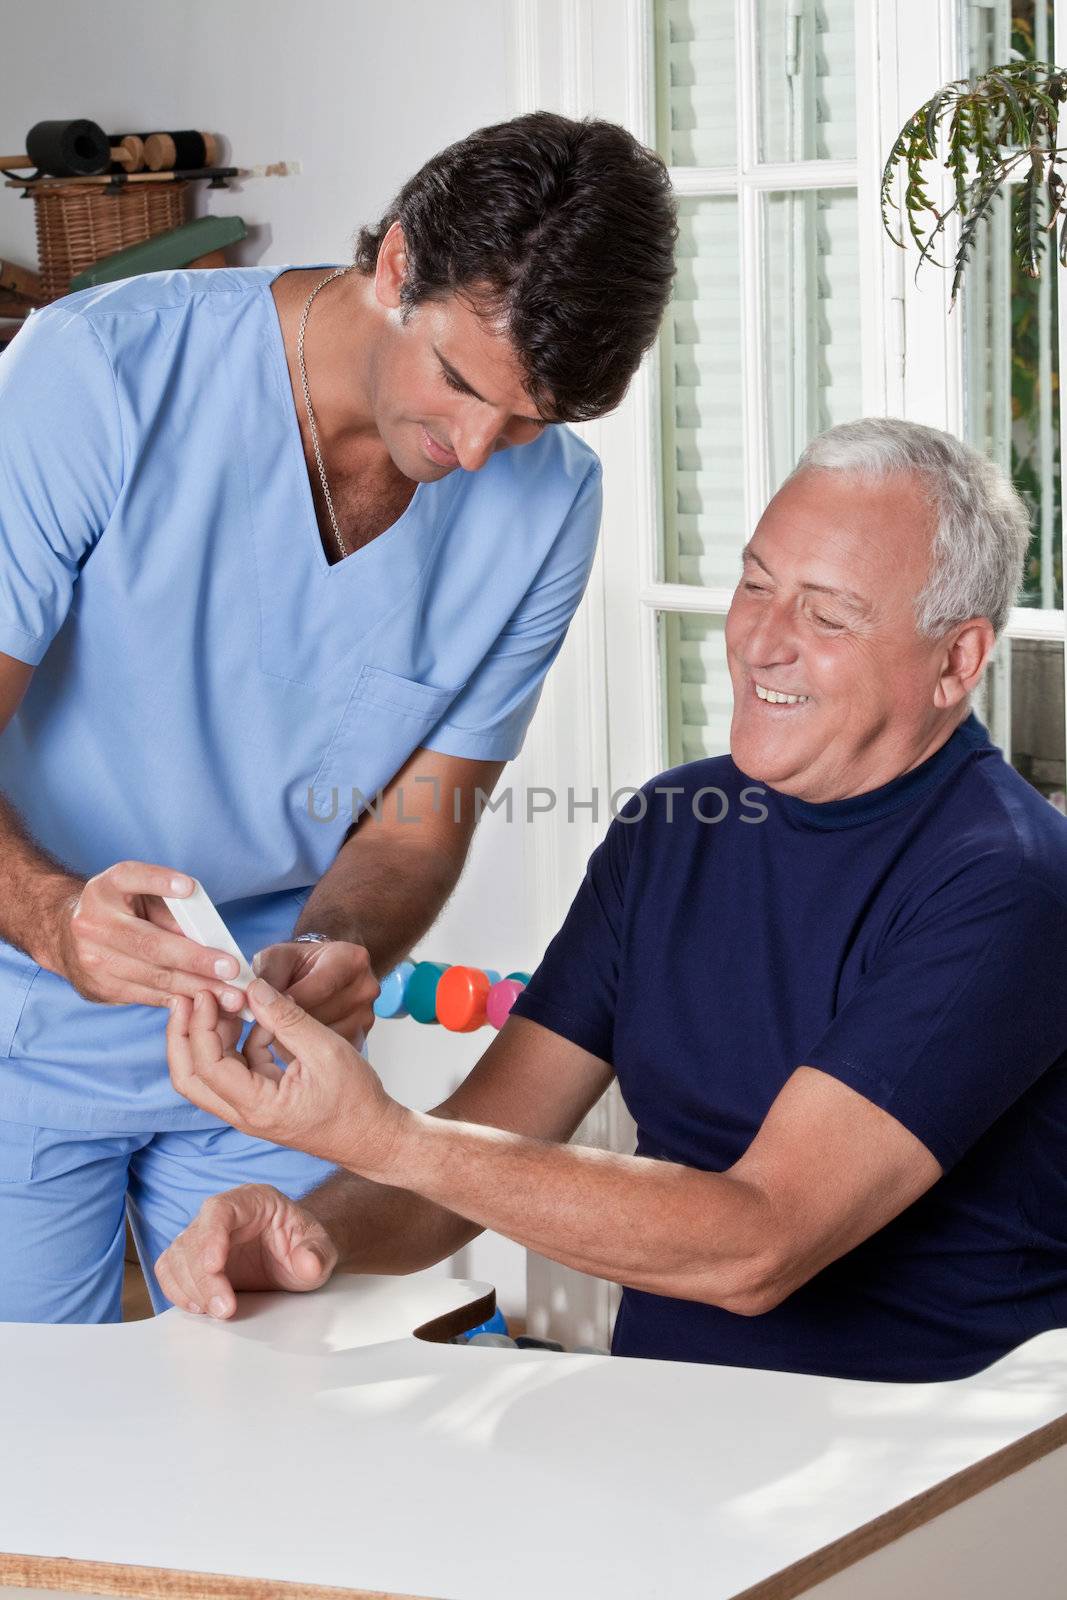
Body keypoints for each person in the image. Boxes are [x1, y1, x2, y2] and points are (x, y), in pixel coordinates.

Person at [160, 418, 1067, 1383]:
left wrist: (376, 1133)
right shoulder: (676, 825)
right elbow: (475, 1152)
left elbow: (757, 1246)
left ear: (957, 661)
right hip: (654, 1429)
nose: (761, 642)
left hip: (922, 1476)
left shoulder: (1010, 886)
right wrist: (307, 1231)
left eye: (828, 616)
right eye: (755, 584)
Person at [0, 112, 677, 1324]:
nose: (476, 451)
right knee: (33, 1452)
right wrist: (55, 921)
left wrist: (342, 944)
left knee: (267, 1441)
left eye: (528, 420)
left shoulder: (551, 508)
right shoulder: (93, 376)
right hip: (20, 1019)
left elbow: (414, 829)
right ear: (395, 265)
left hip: (265, 1057)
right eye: (462, 384)